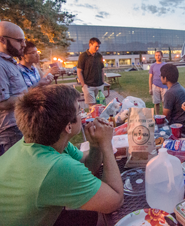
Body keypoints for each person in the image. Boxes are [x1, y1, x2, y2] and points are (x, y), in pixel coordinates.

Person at [0, 85, 124, 225]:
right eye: (79, 111)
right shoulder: (55, 167)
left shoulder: (43, 142)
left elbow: (88, 165)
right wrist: (106, 145)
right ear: (68, 126)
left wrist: (95, 145)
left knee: (92, 216)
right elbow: (115, 200)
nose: (83, 114)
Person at [0, 21, 28, 156]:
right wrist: (31, 97)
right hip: (10, 130)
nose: (24, 44)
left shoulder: (10, 62)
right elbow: (2, 103)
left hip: (19, 124)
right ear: (2, 40)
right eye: (19, 40)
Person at [160, 64, 185, 136]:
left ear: (165, 78)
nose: (160, 77)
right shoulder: (178, 87)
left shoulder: (170, 93)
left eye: (160, 76)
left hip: (180, 130)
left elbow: (165, 117)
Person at [77, 37, 105, 107]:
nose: (97, 48)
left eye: (98, 46)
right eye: (96, 46)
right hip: (88, 86)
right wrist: (84, 85)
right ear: (90, 45)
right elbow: (79, 71)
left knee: (100, 105)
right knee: (92, 107)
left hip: (99, 85)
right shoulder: (83, 56)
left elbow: (102, 69)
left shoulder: (99, 56)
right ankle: (93, 118)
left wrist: (103, 82)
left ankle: (99, 118)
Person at [149, 50, 167, 115]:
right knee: (156, 103)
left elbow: (168, 76)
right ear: (155, 56)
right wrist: (150, 88)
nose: (157, 57)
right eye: (156, 55)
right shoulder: (152, 66)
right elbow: (150, 77)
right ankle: (157, 116)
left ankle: (164, 117)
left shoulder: (165, 65)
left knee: (164, 102)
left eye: (159, 55)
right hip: (155, 86)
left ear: (162, 56)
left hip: (164, 86)